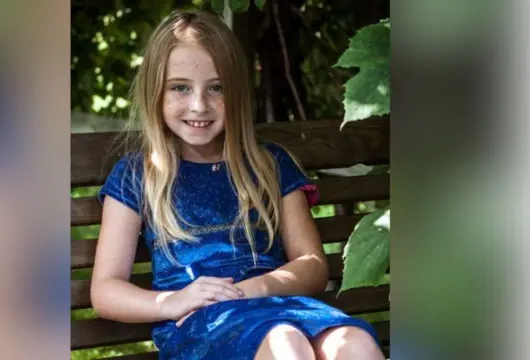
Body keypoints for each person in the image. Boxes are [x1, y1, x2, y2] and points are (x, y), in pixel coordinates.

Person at [91, 9, 385, 360]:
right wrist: (173, 302)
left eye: (216, 88)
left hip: (278, 305)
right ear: (155, 91)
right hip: (203, 324)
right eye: (180, 88)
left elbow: (312, 264)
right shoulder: (139, 174)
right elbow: (105, 291)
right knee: (285, 344)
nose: (199, 105)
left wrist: (247, 291)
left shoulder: (268, 165)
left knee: (356, 345)